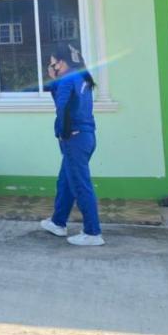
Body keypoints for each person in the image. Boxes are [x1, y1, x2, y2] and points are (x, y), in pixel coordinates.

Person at [39, 45, 105, 246]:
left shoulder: (67, 79)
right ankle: (58, 222)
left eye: (53, 64)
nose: (52, 68)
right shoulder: (81, 77)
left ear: (61, 63)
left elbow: (62, 107)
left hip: (74, 140)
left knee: (80, 185)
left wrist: (62, 133)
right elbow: (70, 104)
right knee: (66, 181)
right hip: (86, 137)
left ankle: (93, 233)